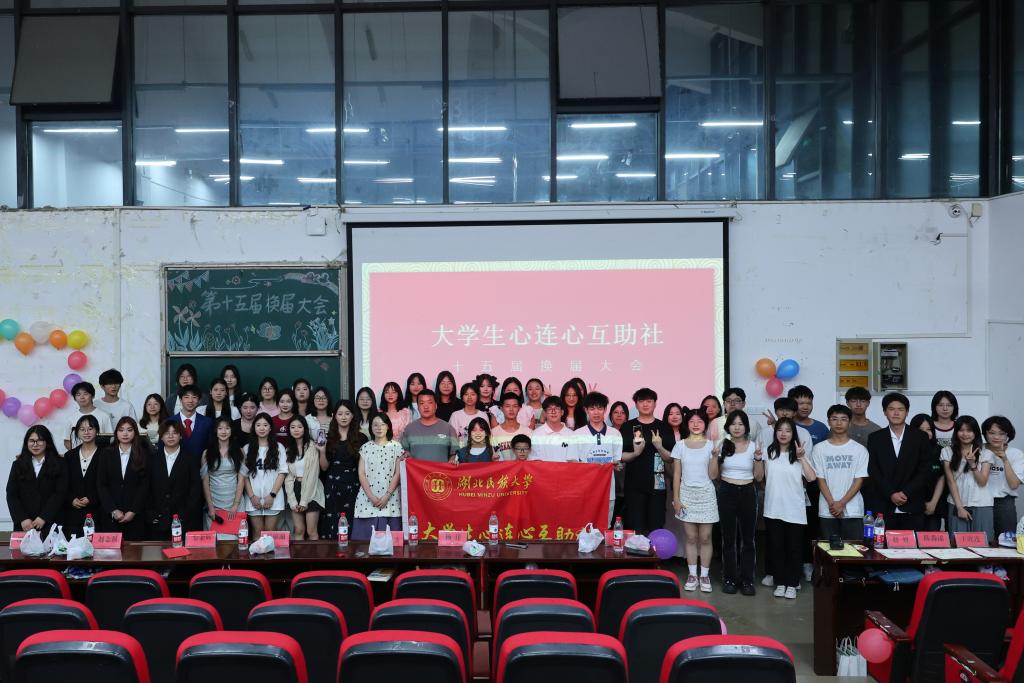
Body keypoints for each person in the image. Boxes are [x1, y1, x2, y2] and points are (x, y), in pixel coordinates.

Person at [865, 392, 935, 531]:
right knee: (882, 542)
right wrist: (891, 493)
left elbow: (925, 469)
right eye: (891, 409)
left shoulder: (920, 437)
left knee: (913, 543)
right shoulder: (875, 438)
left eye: (900, 409)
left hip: (913, 503)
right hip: (884, 504)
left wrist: (906, 492)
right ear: (885, 412)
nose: (896, 413)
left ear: (907, 412)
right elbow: (873, 469)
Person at [763, 417, 815, 600]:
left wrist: (802, 458)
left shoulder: (799, 454)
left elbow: (811, 478)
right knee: (777, 548)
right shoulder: (768, 452)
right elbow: (761, 477)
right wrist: (756, 459)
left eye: (787, 430)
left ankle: (792, 584)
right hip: (773, 508)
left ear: (793, 434)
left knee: (794, 548)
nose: (783, 434)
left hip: (794, 509)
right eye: (780, 430)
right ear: (775, 432)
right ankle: (780, 582)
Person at [715, 410, 762, 596]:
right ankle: (729, 579)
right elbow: (715, 475)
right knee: (728, 539)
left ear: (746, 427)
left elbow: (759, 477)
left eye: (740, 424)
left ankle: (747, 580)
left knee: (748, 540)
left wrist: (758, 458)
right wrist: (714, 457)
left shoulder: (754, 447)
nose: (736, 427)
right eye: (733, 424)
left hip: (748, 491)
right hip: (727, 490)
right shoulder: (722, 445)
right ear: (728, 426)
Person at [671, 409, 719, 594]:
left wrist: (715, 456)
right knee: (690, 537)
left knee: (705, 537)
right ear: (687, 424)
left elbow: (713, 475)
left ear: (705, 424)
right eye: (692, 421)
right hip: (686, 495)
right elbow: (677, 474)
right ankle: (692, 575)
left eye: (700, 421)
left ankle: (704, 575)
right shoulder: (680, 445)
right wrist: (676, 498)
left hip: (706, 495)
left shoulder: (711, 445)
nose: (696, 424)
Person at [621, 388, 676, 536]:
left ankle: (654, 552)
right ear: (636, 404)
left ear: (655, 403)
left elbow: (671, 457)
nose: (645, 404)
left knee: (656, 528)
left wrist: (660, 447)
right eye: (641, 401)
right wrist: (635, 453)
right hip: (634, 486)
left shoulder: (664, 427)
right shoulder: (627, 427)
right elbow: (620, 456)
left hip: (658, 486)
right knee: (635, 529)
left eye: (649, 401)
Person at [812, 405, 869, 540]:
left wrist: (842, 503)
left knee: (854, 550)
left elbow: (859, 480)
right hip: (827, 510)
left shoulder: (859, 449)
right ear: (828, 421)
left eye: (843, 419)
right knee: (828, 549)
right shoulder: (819, 449)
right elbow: (820, 479)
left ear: (850, 422)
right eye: (834, 419)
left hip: (853, 510)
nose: (839, 423)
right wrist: (833, 505)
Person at [573, 392, 623, 527]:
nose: (596, 412)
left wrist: (617, 465)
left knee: (605, 526)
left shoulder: (615, 434)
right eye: (592, 408)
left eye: (600, 408)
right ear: (586, 410)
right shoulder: (577, 434)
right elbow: (572, 462)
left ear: (605, 410)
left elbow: (617, 461)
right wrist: (590, 466)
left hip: (608, 490)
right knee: (585, 527)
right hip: (585, 490)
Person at [7, 425, 68, 537]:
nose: (35, 444)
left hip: (51, 522)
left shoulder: (60, 463)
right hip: (25, 525)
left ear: (47, 442)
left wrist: (44, 517)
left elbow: (60, 493)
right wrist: (22, 518)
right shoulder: (17, 464)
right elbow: (11, 494)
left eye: (39, 440)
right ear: (26, 443)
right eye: (32, 441)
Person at [319, 399, 367, 538]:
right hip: (332, 487)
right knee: (332, 524)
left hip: (354, 487)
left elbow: (365, 468)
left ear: (352, 416)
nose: (343, 417)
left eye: (347, 413)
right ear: (334, 416)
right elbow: (324, 467)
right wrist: (322, 451)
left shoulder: (361, 438)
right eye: (340, 414)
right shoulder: (328, 438)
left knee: (352, 524)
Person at [96, 417, 149, 540]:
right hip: (111, 516)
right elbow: (101, 484)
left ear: (135, 432)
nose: (125, 434)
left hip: (135, 516)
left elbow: (145, 485)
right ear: (116, 433)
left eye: (129, 430)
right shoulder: (106, 454)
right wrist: (113, 510)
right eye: (121, 430)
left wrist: (133, 511)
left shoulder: (143, 454)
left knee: (134, 550)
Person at [942, 416, 994, 540]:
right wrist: (959, 507)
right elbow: (950, 481)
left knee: (982, 544)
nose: (965, 434)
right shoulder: (947, 451)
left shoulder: (986, 453)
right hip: (956, 503)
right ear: (956, 432)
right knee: (957, 544)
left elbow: (982, 482)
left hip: (982, 504)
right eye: (961, 430)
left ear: (975, 433)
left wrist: (973, 464)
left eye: (969, 430)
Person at [147, 420, 202, 538]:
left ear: (181, 436)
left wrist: (184, 513)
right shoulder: (152, 460)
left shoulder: (191, 459)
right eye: (167, 433)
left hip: (184, 521)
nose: (170, 436)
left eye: (175, 433)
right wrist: (152, 514)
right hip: (158, 520)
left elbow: (195, 489)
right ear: (161, 437)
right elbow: (148, 488)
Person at [354, 414, 403, 540]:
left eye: (382, 424)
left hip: (391, 500)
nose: (379, 427)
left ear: (388, 427)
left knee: (391, 544)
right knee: (363, 544)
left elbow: (398, 474)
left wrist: (387, 495)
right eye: (375, 425)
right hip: (367, 500)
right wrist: (371, 497)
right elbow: (361, 474)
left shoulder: (396, 447)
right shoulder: (365, 447)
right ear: (371, 427)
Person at [200, 416, 247, 538]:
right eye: (220, 428)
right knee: (215, 540)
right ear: (215, 431)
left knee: (235, 540)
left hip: (235, 500)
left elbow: (241, 479)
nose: (223, 431)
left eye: (227, 428)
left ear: (231, 430)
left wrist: (235, 505)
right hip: (214, 502)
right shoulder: (207, 453)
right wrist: (210, 507)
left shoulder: (239, 452)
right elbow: (205, 481)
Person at [243, 413, 289, 534]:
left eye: (265, 425)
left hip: (273, 498)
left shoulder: (279, 447)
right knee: (257, 533)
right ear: (254, 428)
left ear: (270, 428)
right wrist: (252, 497)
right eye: (258, 425)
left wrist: (272, 495)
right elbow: (244, 476)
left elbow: (282, 472)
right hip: (253, 498)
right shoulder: (247, 448)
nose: (262, 428)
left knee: (270, 533)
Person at [284, 416, 325, 540]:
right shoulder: (288, 449)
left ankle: (313, 554)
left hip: (312, 491)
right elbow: (288, 476)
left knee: (311, 531)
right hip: (295, 487)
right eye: (293, 427)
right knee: (299, 530)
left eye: (299, 427)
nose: (296, 430)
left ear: (305, 429)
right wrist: (292, 500)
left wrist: (304, 501)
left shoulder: (313, 447)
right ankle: (299, 554)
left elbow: (313, 475)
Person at [983, 416, 1023, 536]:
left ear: (1007, 435)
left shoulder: (1016, 454)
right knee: (981, 540)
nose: (996, 437)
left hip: (1004, 502)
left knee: (1007, 540)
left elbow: (1014, 484)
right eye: (992, 433)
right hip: (980, 501)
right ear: (985, 433)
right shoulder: (978, 450)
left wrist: (1005, 460)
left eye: (1001, 434)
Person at [65, 415, 102, 538]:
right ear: (77, 432)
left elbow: (108, 483)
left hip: (98, 513)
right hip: (73, 515)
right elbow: (64, 484)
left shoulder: (106, 454)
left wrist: (91, 498)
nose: (86, 432)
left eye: (90, 428)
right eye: (82, 429)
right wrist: (71, 499)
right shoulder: (69, 456)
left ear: (97, 431)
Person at [910, 414, 947, 531]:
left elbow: (942, 477)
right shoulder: (906, 451)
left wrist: (933, 503)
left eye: (929, 429)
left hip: (933, 505)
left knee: (931, 539)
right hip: (911, 505)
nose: (926, 433)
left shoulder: (940, 450)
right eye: (921, 430)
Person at [400, 390, 459, 463]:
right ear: (418, 407)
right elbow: (404, 452)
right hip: (416, 470)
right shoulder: (409, 429)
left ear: (436, 405)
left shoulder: (448, 428)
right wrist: (406, 454)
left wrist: (453, 459)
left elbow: (455, 453)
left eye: (430, 402)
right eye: (422, 403)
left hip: (440, 470)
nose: (426, 406)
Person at [65, 381, 114, 450]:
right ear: (75, 398)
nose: (82, 397)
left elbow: (111, 439)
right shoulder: (70, 419)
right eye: (78, 394)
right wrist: (76, 454)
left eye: (85, 394)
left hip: (100, 455)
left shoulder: (104, 416)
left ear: (92, 396)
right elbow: (67, 441)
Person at [172, 386, 213, 461]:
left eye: (194, 397)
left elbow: (211, 447)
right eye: (186, 397)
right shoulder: (170, 422)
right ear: (180, 400)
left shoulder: (207, 422)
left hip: (200, 465)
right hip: (175, 466)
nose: (190, 401)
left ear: (199, 400)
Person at [489, 393, 532, 461]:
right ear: (501, 408)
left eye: (515, 406)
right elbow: (493, 457)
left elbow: (531, 458)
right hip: (502, 468)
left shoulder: (528, 432)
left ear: (519, 408)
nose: (511, 409)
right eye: (507, 406)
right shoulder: (494, 433)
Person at [532, 397, 575, 462]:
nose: (553, 412)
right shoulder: (536, 434)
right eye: (549, 409)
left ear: (562, 412)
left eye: (557, 408)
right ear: (545, 413)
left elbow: (573, 460)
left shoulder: (571, 435)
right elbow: (534, 460)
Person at [609, 400, 629, 519]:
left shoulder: (632, 432)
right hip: (611, 475)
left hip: (627, 475)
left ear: (626, 416)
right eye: (616, 412)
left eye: (622, 412)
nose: (619, 415)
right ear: (611, 415)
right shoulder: (606, 432)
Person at [449, 382, 483, 447]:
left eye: (473, 394)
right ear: (462, 397)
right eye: (466, 394)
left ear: (477, 396)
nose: (469, 397)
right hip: (460, 452)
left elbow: (487, 436)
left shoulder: (483, 415)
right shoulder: (455, 416)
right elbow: (452, 439)